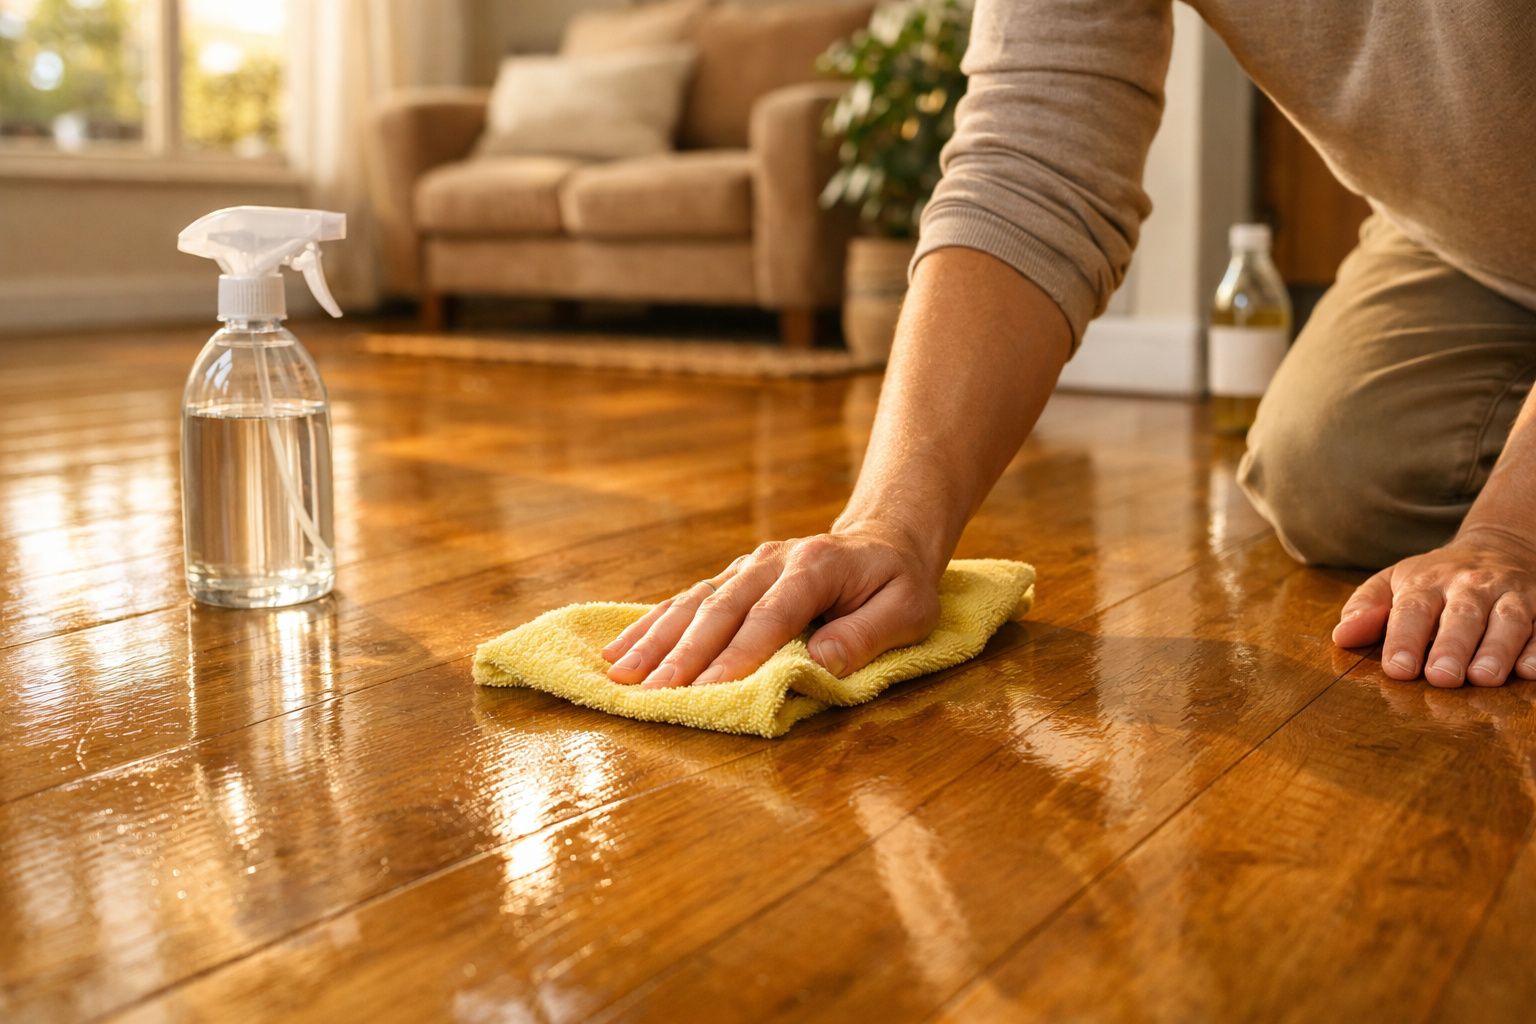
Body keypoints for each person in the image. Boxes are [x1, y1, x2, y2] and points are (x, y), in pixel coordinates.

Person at [603, 0, 1536, 691]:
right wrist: (891, 525)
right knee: (1337, 474)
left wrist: (1509, 533)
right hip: (1466, 238)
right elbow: (1036, 152)